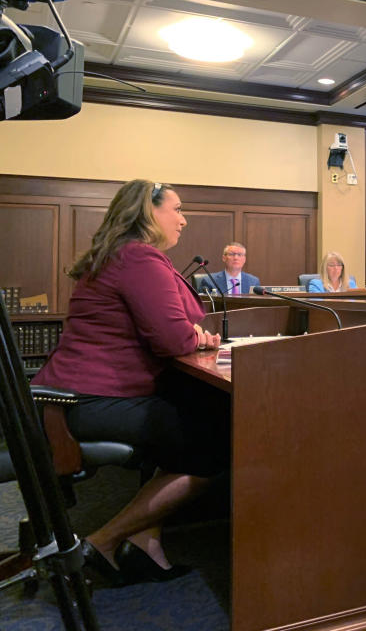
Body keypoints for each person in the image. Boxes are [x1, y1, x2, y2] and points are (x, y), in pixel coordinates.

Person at [32, 179, 227, 586]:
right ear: (147, 212)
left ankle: (144, 542)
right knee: (218, 446)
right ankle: (102, 542)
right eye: (176, 209)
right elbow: (173, 337)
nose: (183, 219)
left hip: (69, 397)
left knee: (194, 413)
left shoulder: (118, 256)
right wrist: (196, 337)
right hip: (88, 403)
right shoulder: (139, 258)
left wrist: (188, 333)